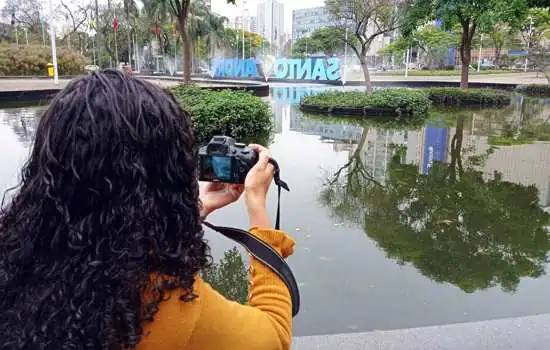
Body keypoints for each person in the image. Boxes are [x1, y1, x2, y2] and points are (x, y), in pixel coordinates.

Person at [0, 70, 295, 349]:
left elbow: (107, 227)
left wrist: (196, 210)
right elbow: (274, 334)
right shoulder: (162, 301)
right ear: (169, 176)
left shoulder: (17, 258)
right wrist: (257, 206)